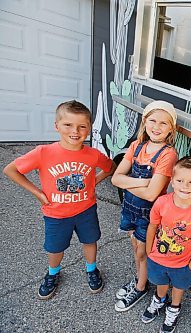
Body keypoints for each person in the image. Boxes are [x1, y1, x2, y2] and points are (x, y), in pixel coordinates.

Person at [3, 100, 116, 299]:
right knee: (55, 248)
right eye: (68, 125)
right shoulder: (43, 153)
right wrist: (38, 193)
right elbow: (11, 170)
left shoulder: (92, 154)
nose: (75, 131)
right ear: (57, 126)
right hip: (56, 213)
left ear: (89, 128)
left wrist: (93, 183)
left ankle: (91, 269)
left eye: (82, 126)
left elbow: (110, 168)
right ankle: (53, 273)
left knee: (90, 241)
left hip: (86, 210)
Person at [112, 100, 178, 312]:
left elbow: (151, 195)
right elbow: (115, 179)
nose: (156, 127)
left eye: (163, 123)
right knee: (135, 248)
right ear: (145, 121)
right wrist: (143, 181)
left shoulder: (168, 154)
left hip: (149, 214)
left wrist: (128, 181)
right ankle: (140, 277)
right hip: (130, 209)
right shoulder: (136, 146)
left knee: (143, 252)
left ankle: (140, 288)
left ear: (171, 129)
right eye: (153, 120)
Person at [141, 156, 191, 333]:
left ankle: (174, 308)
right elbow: (152, 226)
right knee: (161, 282)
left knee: (179, 288)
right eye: (180, 180)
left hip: (183, 263)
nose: (185, 186)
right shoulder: (162, 202)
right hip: (157, 257)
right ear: (172, 181)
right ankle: (159, 299)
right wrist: (149, 251)